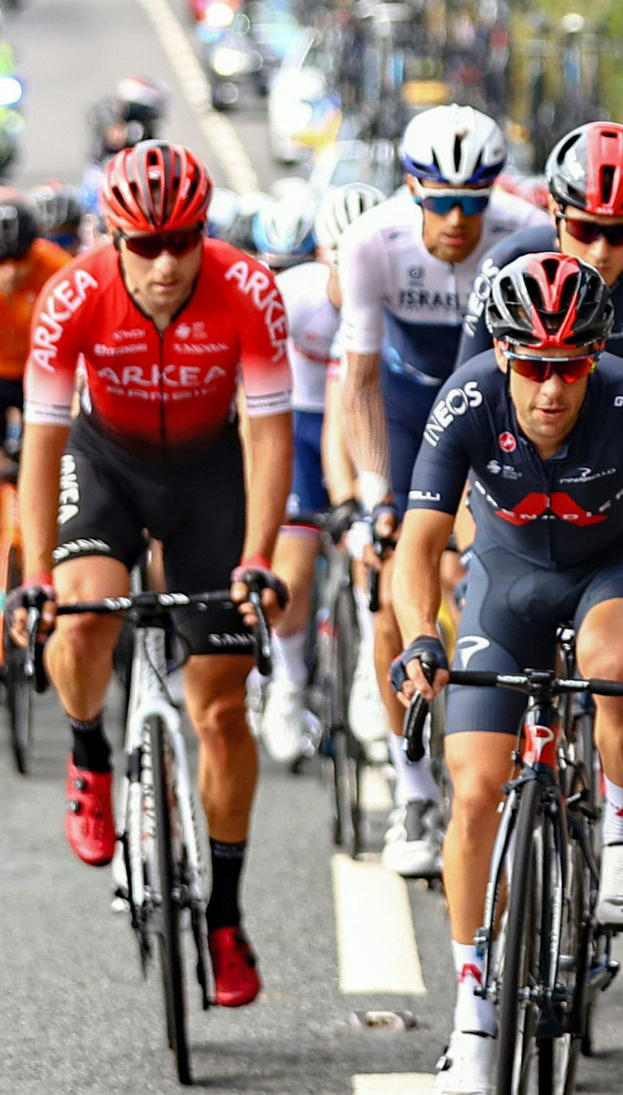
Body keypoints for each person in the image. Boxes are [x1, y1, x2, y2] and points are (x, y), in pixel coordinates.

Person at [390, 253, 623, 1095]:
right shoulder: (465, 399)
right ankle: (474, 1015)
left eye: (570, 367)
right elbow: (416, 548)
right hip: (510, 576)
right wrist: (422, 632)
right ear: (501, 353)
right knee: (476, 788)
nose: (552, 388)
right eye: (531, 365)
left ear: (596, 357)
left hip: (619, 567)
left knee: (611, 667)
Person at [18, 141, 293, 1008]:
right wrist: (32, 573)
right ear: (112, 236)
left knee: (218, 709)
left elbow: (271, 433)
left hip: (211, 473)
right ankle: (89, 750)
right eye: (145, 244)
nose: (168, 262)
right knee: (84, 612)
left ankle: (224, 913)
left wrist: (257, 557)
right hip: (107, 465)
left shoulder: (248, 289)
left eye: (184, 239)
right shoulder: (72, 296)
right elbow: (44, 443)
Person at [333, 104, 546, 878]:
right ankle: (414, 788)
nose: (458, 220)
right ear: (412, 189)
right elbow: (355, 384)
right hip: (402, 405)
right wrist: (372, 494)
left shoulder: (523, 231)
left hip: (493, 409)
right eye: (441, 201)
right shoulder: (373, 241)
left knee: (492, 560)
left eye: (474, 201)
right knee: (397, 590)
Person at [254, 185, 382, 764]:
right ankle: (287, 684)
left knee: (373, 548)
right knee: (294, 576)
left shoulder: (391, 299)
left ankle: (373, 667)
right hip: (296, 428)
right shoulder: (290, 297)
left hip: (362, 427)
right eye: (338, 258)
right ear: (321, 255)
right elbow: (249, 388)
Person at [456, 122, 623, 383]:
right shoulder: (504, 265)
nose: (601, 250)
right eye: (584, 229)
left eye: (621, 232)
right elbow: (469, 384)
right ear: (554, 211)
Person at [0, 194, 68, 677]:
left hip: (42, 380)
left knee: (53, 478)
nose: (9, 271)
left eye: (19, 258)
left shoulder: (58, 272)